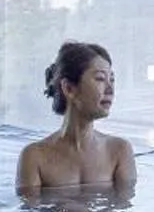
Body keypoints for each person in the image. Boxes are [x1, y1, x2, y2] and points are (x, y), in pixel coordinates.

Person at [15, 41, 137, 194]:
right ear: (69, 88)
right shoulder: (34, 158)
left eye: (112, 79)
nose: (110, 89)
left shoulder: (119, 152)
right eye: (100, 79)